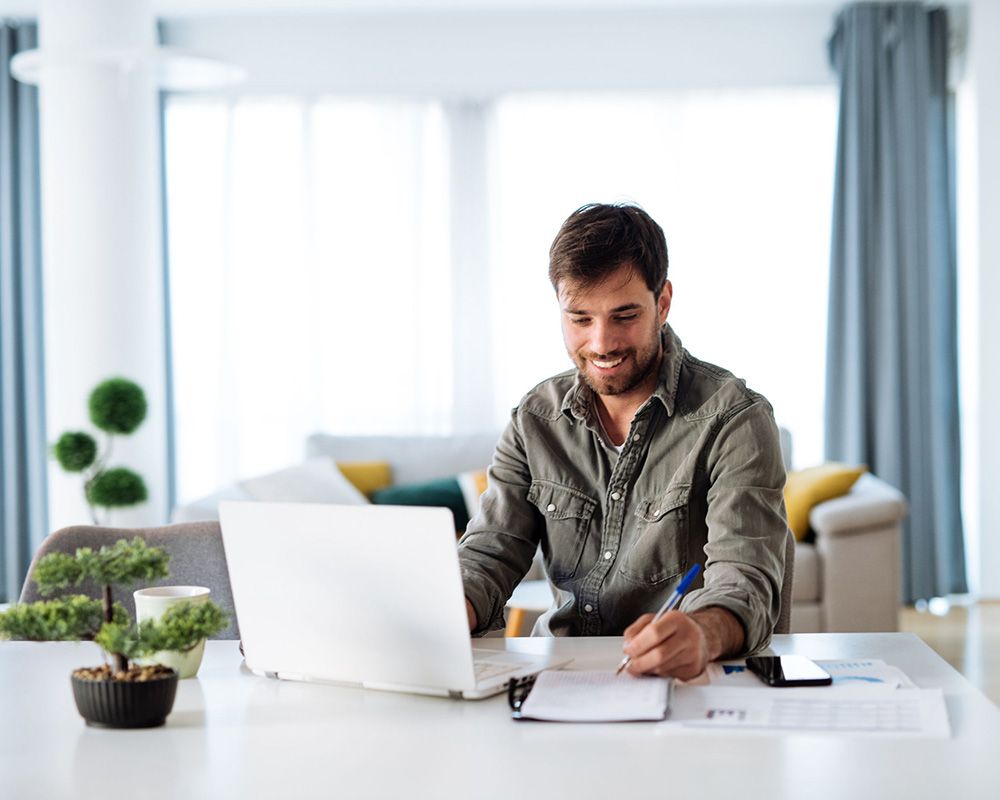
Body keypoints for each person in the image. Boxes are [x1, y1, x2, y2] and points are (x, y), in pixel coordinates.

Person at [457, 202, 788, 681]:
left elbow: (745, 579)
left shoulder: (735, 419)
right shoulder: (536, 419)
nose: (602, 343)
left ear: (664, 301)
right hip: (558, 681)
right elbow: (489, 554)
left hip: (685, 685)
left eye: (624, 315)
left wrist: (702, 632)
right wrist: (447, 613)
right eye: (580, 319)